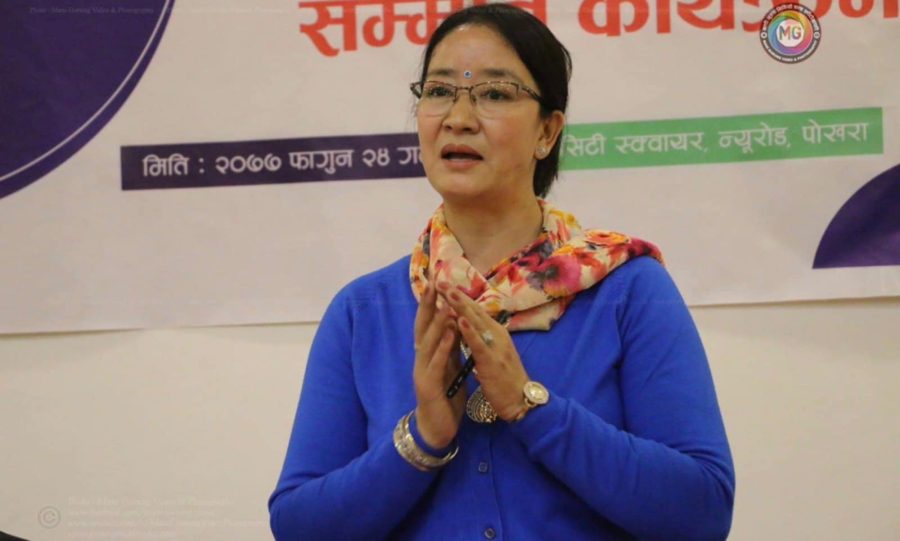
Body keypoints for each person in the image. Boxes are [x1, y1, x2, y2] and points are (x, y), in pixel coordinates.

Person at [269, 4, 735, 540]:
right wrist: (422, 439)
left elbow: (702, 511)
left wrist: (530, 407)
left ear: (547, 132)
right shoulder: (365, 311)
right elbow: (298, 526)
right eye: (439, 91)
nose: (458, 117)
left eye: (494, 94)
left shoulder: (628, 290)